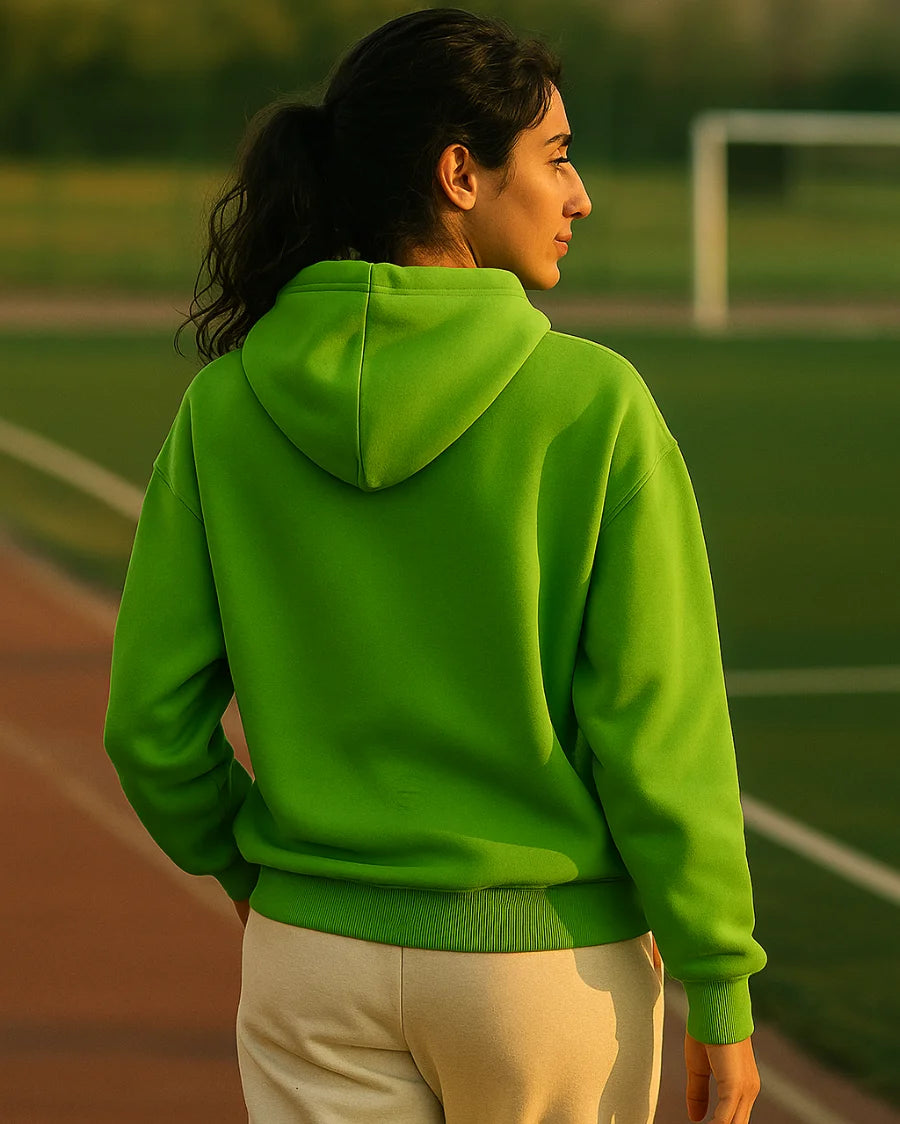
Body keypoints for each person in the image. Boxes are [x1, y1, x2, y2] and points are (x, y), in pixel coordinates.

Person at [103, 7, 766, 1123]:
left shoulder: (223, 408)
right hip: (544, 973)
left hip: (308, 964)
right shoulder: (593, 403)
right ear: (461, 172)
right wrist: (721, 981)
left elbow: (148, 725)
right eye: (555, 157)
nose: (580, 194)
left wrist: (260, 876)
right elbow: (660, 730)